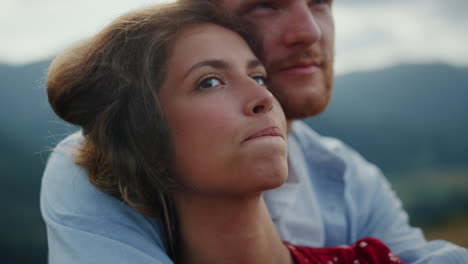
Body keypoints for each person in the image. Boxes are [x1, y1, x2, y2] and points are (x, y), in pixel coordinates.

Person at [40, 0, 468, 264]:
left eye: (320, 1)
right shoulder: (93, 164)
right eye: (265, 4)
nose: (310, 31)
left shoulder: (351, 178)